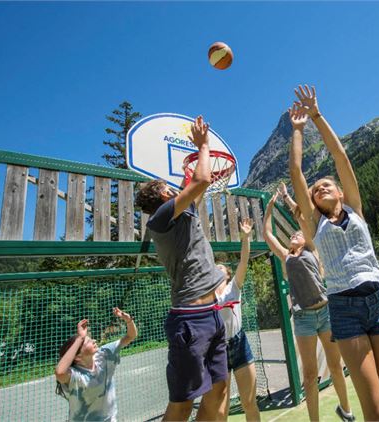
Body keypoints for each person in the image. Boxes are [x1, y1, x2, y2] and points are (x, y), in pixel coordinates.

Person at [288, 85, 379, 422]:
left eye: (327, 184)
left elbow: (341, 156)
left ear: (340, 190)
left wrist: (317, 117)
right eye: (315, 188)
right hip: (344, 308)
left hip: (378, 302)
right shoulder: (313, 225)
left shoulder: (354, 207)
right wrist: (298, 130)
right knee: (377, 412)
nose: (321, 187)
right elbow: (296, 173)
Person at [134, 115, 228, 421]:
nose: (176, 188)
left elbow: (193, 184)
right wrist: (203, 145)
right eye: (169, 186)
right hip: (189, 320)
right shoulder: (160, 218)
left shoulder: (182, 211)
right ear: (163, 194)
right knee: (183, 403)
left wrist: (195, 157)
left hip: (212, 314)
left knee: (219, 390)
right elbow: (200, 181)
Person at [263, 189, 354, 422]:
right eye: (292, 235)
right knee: (310, 374)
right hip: (303, 318)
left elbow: (301, 217)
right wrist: (270, 208)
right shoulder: (286, 256)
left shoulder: (313, 248)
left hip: (325, 312)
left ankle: (347, 412)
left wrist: (286, 197)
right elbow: (267, 234)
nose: (294, 235)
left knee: (335, 366)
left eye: (297, 234)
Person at [215, 218, 261, 422]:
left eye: (221, 268)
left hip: (239, 343)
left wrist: (246, 237)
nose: (217, 269)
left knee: (249, 402)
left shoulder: (234, 287)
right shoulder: (205, 294)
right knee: (220, 407)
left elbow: (244, 260)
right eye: (214, 268)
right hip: (216, 349)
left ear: (227, 275)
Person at [55, 307, 138, 422]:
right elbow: (60, 372)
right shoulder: (75, 375)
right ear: (78, 357)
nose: (93, 340)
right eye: (88, 342)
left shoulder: (104, 354)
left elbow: (130, 336)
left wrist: (128, 320)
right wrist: (80, 338)